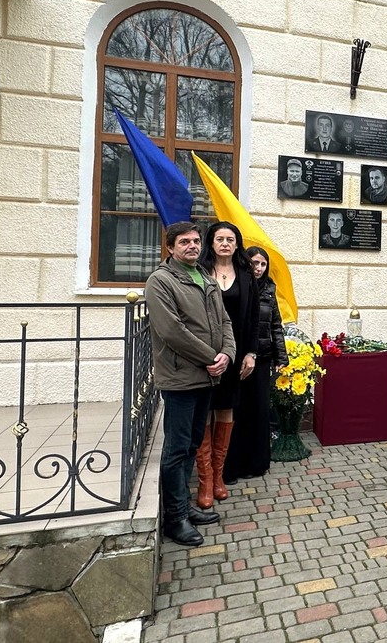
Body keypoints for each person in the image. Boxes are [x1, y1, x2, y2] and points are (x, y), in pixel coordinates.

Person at [144, 221, 233, 546]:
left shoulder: (205, 277)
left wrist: (227, 353)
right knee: (177, 448)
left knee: (193, 444)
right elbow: (172, 330)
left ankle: (184, 508)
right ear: (170, 247)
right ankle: (175, 518)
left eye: (196, 241)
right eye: (184, 242)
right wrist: (211, 356)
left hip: (206, 377)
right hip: (181, 377)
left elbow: (224, 320)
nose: (193, 246)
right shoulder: (161, 281)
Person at [197, 222, 259, 507]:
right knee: (204, 411)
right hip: (203, 354)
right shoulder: (199, 271)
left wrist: (251, 353)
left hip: (235, 355)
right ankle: (205, 481)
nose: (225, 243)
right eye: (219, 238)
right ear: (211, 243)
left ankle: (219, 477)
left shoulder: (246, 275)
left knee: (225, 409)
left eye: (230, 239)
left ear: (237, 244)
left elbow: (254, 318)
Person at [226, 246, 289, 480]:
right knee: (237, 410)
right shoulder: (237, 286)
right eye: (254, 263)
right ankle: (233, 464)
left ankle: (256, 463)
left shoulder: (269, 289)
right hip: (238, 358)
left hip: (262, 358)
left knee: (259, 411)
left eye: (263, 264)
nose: (259, 268)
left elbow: (276, 325)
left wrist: (281, 357)